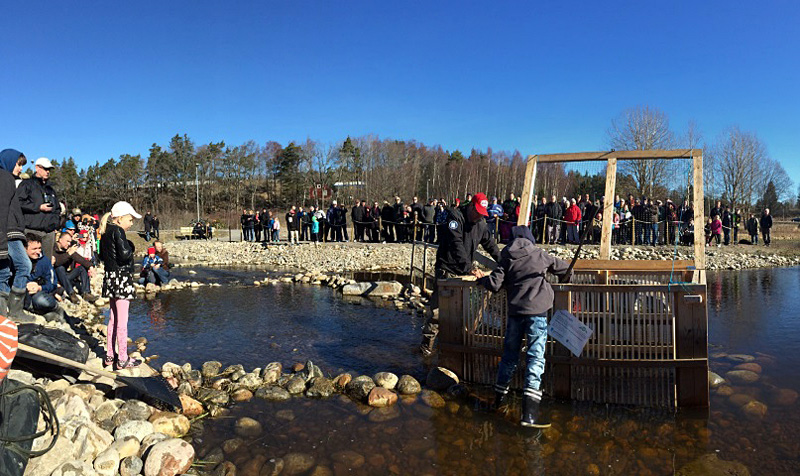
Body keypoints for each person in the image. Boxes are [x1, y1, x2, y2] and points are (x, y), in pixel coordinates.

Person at [473, 226, 572, 428]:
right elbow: (565, 269)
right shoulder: (539, 254)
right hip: (537, 313)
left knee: (509, 356)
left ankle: (499, 400)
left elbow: (494, 284)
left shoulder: (507, 257)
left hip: (515, 313)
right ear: (530, 239)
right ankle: (529, 415)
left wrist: (482, 279)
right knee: (535, 357)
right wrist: (564, 278)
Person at [420, 193, 501, 356]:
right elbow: (455, 244)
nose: (479, 216)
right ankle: (426, 346)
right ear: (471, 206)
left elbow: (489, 244)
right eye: (477, 212)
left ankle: (452, 344)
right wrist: (469, 267)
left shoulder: (481, 223)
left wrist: (503, 260)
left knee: (460, 310)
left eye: (482, 213)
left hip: (463, 272)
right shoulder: (455, 217)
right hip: (447, 268)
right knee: (438, 310)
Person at [99, 201, 142, 370]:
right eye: (130, 219)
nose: (131, 223)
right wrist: (130, 246)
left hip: (110, 277)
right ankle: (123, 358)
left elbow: (102, 256)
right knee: (122, 321)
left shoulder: (105, 232)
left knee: (113, 318)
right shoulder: (118, 231)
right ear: (119, 219)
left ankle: (110, 355)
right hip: (122, 278)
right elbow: (124, 255)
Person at [0, 149, 32, 320]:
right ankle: (16, 312)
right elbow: (3, 209)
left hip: (8, 232)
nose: (20, 169)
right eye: (18, 164)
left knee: (3, 272)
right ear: (8, 161)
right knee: (24, 265)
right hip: (8, 233)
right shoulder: (5, 178)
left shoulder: (7, 179)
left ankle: (3, 315)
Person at [17, 157, 61, 260]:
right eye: (45, 168)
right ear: (37, 168)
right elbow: (18, 203)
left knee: (46, 264)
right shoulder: (27, 185)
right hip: (31, 231)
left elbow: (57, 209)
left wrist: (55, 223)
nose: (48, 172)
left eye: (49, 169)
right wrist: (38, 207)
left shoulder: (51, 189)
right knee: (28, 263)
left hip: (49, 233)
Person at [23, 234, 62, 321]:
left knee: (41, 300)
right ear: (25, 248)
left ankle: (56, 308)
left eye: (39, 248)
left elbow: (53, 283)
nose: (38, 251)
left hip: (39, 293)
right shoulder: (18, 261)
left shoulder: (44, 261)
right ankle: (39, 312)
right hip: (22, 292)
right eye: (34, 249)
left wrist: (39, 288)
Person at [53, 230, 97, 303]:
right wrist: (68, 254)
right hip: (57, 278)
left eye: (70, 242)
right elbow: (57, 262)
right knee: (59, 268)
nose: (69, 243)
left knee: (82, 268)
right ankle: (71, 293)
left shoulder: (67, 249)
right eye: (67, 241)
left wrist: (90, 266)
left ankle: (86, 293)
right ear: (60, 240)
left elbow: (79, 259)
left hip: (66, 277)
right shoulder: (53, 248)